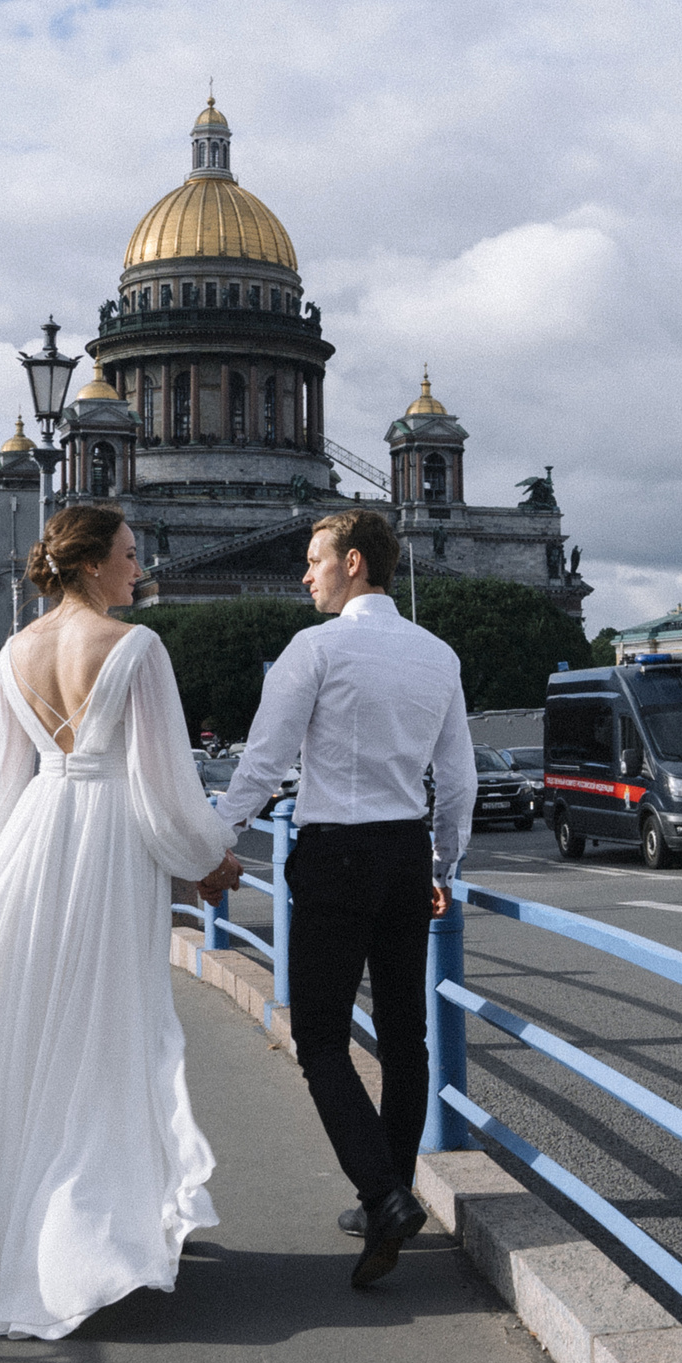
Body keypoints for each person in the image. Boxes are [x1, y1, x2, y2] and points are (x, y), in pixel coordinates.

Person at [0, 504, 243, 1341]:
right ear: (94, 563)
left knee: (17, 1028)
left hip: (36, 836)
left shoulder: (15, 653)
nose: (139, 569)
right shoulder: (137, 647)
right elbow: (166, 786)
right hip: (108, 847)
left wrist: (19, 862)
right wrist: (211, 854)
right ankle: (87, 1232)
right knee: (106, 1029)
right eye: (131, 555)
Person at [214, 508, 476, 1289]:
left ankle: (382, 1195)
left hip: (333, 856)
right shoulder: (438, 654)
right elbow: (457, 781)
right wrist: (445, 861)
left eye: (314, 559)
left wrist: (210, 840)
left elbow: (262, 768)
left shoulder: (315, 649)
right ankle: (391, 1192)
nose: (305, 573)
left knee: (321, 1038)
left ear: (353, 562)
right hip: (403, 854)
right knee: (406, 1035)